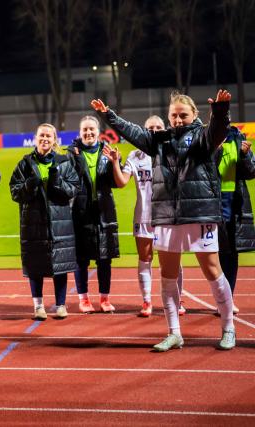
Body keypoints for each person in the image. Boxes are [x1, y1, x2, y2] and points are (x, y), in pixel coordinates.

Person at [92, 89, 236, 351]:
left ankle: (228, 328)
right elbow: (133, 131)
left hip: (199, 213)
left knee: (212, 272)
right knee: (167, 276)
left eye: (183, 115)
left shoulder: (203, 136)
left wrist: (221, 111)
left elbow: (218, 132)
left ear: (194, 115)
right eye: (174, 115)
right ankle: (174, 333)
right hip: (167, 215)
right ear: (169, 117)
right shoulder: (159, 140)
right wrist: (107, 115)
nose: (178, 119)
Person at [102, 116, 185, 317]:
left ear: (163, 129)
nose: (154, 130)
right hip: (144, 216)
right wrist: (115, 163)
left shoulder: (172, 152)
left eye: (158, 127)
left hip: (168, 215)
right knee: (145, 258)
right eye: (150, 128)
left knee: (172, 260)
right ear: (145, 131)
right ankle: (147, 301)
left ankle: (178, 300)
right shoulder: (135, 156)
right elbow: (121, 182)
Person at [10, 123, 80, 320]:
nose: (45, 139)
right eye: (41, 135)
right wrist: (30, 184)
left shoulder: (64, 162)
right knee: (35, 265)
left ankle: (61, 305)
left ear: (55, 139)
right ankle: (38, 306)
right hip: (33, 223)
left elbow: (73, 189)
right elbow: (15, 192)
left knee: (61, 264)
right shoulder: (24, 164)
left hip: (60, 223)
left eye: (48, 136)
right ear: (35, 138)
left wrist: (57, 180)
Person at [67, 116, 120, 313]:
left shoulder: (107, 152)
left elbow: (117, 182)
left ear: (98, 132)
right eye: (85, 130)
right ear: (80, 133)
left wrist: (115, 162)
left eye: (92, 130)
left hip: (104, 211)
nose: (88, 133)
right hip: (80, 212)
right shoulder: (72, 154)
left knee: (104, 258)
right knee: (81, 258)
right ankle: (84, 299)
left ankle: (105, 299)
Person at [215, 126, 255, 312]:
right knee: (214, 253)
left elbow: (251, 172)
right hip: (212, 202)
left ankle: (228, 298)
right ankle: (222, 298)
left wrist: (246, 155)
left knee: (231, 252)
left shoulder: (240, 140)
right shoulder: (209, 139)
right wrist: (216, 150)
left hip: (235, 204)